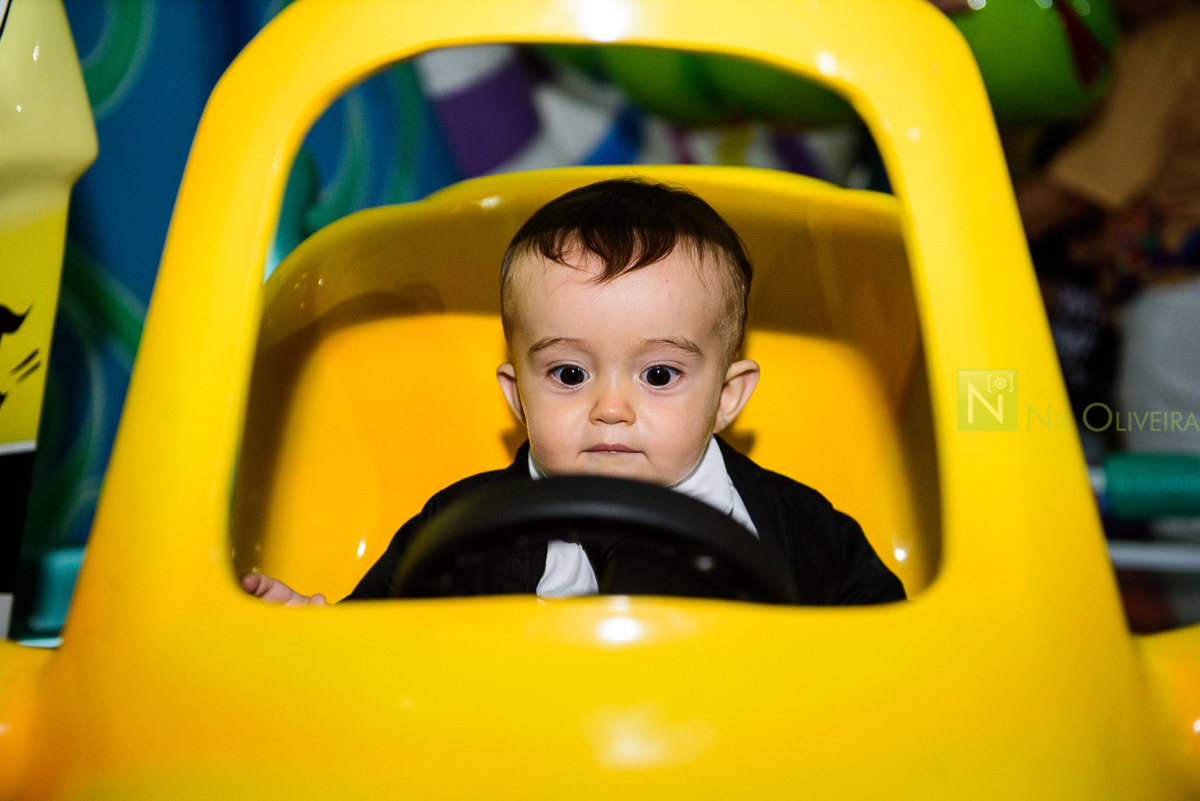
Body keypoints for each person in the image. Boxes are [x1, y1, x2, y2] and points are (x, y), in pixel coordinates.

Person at [242, 178, 905, 607]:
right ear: (516, 393)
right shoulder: (462, 530)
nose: (610, 408)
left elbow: (889, 639)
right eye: (568, 374)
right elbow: (380, 642)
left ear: (728, 397)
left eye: (659, 375)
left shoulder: (792, 523)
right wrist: (315, 626)